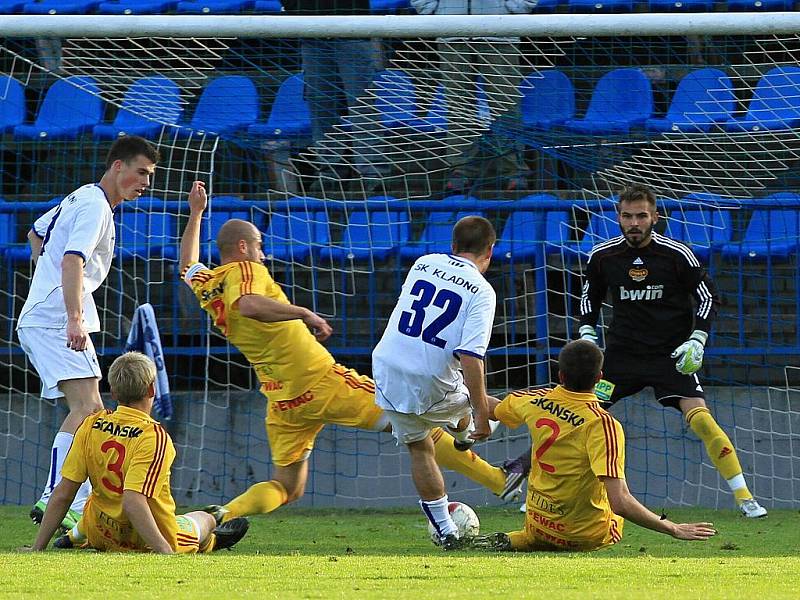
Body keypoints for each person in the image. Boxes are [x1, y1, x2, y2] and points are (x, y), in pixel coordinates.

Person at [179, 187, 521, 525]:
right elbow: (249, 304)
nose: (263, 255)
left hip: (283, 400)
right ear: (243, 247)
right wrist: (304, 313)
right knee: (411, 422)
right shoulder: (245, 271)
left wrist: (195, 213)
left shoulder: (209, 285)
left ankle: (226, 512)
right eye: (259, 247)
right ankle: (497, 479)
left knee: (287, 487)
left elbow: (188, 265)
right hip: (320, 379)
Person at [508, 184, 767, 518]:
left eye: (641, 216)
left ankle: (744, 497)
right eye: (627, 216)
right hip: (618, 361)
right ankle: (532, 488)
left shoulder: (677, 255)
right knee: (571, 417)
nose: (634, 223)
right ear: (618, 217)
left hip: (670, 358)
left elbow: (708, 296)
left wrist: (697, 339)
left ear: (655, 217)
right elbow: (590, 296)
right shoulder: (603, 256)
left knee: (702, 420)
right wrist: (587, 331)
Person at [17, 135, 160, 532]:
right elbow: (72, 258)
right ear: (118, 166)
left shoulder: (81, 196)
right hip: (55, 318)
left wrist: (44, 280)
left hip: (48, 313)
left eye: (149, 175)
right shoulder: (96, 207)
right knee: (87, 409)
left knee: (92, 408)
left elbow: (35, 233)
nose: (145, 183)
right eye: (141, 172)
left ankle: (68, 501)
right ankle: (54, 497)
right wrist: (74, 316)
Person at [467, 339, 717, 552]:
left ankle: (516, 539)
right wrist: (673, 528)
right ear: (599, 378)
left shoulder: (533, 400)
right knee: (613, 506)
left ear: (560, 375)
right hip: (586, 536)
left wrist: (457, 389)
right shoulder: (603, 424)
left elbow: (490, 408)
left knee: (538, 523)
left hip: (539, 525)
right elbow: (620, 502)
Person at [29, 352, 250, 553]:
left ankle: (74, 535)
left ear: (113, 392)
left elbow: (64, 492)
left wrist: (37, 548)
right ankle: (212, 534)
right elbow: (133, 502)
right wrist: (165, 551)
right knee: (200, 521)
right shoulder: (154, 436)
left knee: (93, 506)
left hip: (100, 530)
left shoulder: (90, 425)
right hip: (143, 538)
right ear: (152, 389)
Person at [372, 216, 497, 550]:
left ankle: (445, 530)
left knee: (419, 447)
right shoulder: (483, 292)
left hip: (385, 370)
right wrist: (483, 415)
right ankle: (466, 429)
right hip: (430, 381)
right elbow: (471, 356)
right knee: (480, 404)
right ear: (490, 251)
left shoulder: (424, 263)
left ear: (453, 246)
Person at [411, 0, 536, 195]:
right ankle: (460, 170)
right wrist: (431, 10)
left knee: (506, 106)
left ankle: (514, 172)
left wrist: (515, 8)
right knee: (457, 106)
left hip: (500, 29)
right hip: (451, 30)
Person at [282, 0, 390, 195]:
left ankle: (372, 176)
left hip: (352, 30)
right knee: (321, 107)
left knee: (362, 106)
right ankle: (330, 174)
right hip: (311, 33)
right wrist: (298, 11)